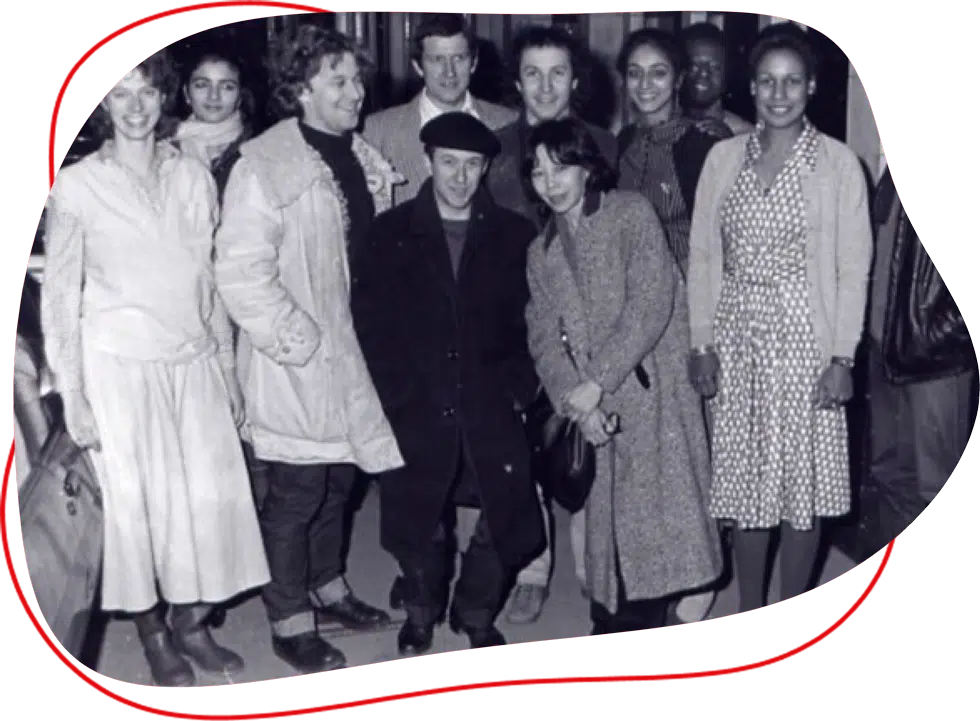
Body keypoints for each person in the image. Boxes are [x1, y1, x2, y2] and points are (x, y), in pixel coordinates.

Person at [40, 51, 270, 687]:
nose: (136, 108)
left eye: (146, 94)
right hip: (118, 368)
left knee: (206, 504)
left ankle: (192, 621)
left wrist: (225, 370)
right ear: (101, 106)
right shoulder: (77, 185)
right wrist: (74, 396)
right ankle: (154, 634)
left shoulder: (192, 176)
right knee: (138, 509)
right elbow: (60, 299)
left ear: (165, 97)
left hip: (191, 362)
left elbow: (209, 287)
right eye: (120, 96)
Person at [213, 25, 405, 675]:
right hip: (294, 360)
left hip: (355, 354)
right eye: (339, 81)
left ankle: (329, 585)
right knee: (297, 491)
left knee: (340, 481)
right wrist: (298, 337)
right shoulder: (265, 164)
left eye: (357, 79)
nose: (356, 92)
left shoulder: (359, 154)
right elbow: (240, 269)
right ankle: (289, 616)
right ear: (300, 89)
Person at [686, 24, 874, 615]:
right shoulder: (723, 157)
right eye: (768, 81)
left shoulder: (840, 165)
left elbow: (852, 269)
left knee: (801, 488)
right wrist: (702, 342)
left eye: (793, 81)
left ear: (812, 87)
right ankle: (749, 611)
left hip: (807, 343)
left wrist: (842, 357)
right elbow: (703, 256)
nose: (779, 93)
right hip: (738, 336)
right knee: (746, 484)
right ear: (752, 86)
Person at [351, 112, 544, 653]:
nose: (460, 178)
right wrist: (396, 396)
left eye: (472, 166)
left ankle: (476, 612)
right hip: (417, 401)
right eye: (449, 164)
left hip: (490, 400)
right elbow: (370, 324)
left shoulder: (514, 235)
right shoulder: (388, 235)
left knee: (501, 516)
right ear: (428, 162)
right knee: (420, 519)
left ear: (486, 168)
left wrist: (519, 389)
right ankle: (421, 609)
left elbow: (533, 322)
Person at [524, 117, 721, 635]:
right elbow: (542, 335)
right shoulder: (539, 252)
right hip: (592, 410)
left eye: (561, 167)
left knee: (657, 532)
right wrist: (575, 398)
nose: (551, 181)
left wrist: (597, 381)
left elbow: (652, 302)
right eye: (539, 171)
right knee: (610, 542)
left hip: (652, 398)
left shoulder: (629, 213)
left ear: (588, 169)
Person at [859, 169, 978, 561]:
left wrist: (946, 333)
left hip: (936, 360)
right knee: (889, 473)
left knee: (936, 491)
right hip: (883, 346)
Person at [363, 12, 517, 207]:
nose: (449, 72)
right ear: (418, 67)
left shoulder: (508, 122)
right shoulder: (379, 131)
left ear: (474, 63)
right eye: (437, 60)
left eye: (459, 58)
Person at [616, 28, 727, 281]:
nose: (645, 84)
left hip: (687, 294)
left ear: (678, 79)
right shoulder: (622, 142)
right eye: (635, 73)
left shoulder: (701, 145)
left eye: (658, 73)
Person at [487, 25, 617, 230]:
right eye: (533, 74)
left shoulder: (605, 145)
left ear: (574, 81)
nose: (545, 87)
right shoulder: (493, 151)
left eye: (557, 73)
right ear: (518, 83)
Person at [172, 46, 254, 198]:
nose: (214, 96)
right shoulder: (166, 151)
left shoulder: (255, 151)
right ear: (186, 94)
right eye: (202, 85)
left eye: (227, 87)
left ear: (240, 97)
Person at [680, 22, 754, 136]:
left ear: (727, 74)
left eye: (715, 67)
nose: (703, 74)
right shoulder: (661, 129)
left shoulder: (746, 135)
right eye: (693, 65)